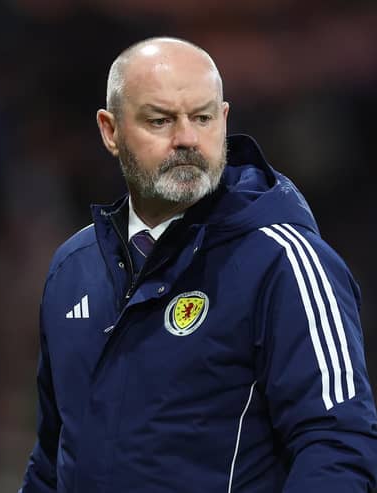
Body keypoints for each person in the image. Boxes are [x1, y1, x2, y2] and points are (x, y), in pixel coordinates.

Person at [19, 37, 377, 492]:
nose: (187, 138)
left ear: (224, 120)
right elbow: (53, 462)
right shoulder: (71, 270)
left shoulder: (283, 261)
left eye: (202, 118)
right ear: (110, 131)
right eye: (160, 120)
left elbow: (338, 444)